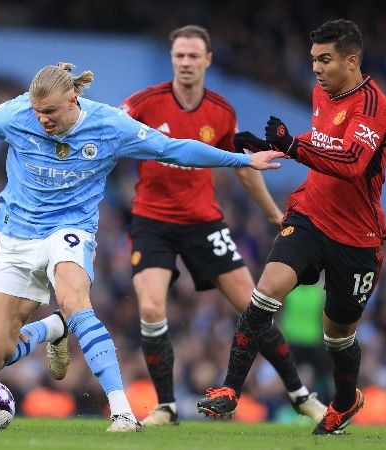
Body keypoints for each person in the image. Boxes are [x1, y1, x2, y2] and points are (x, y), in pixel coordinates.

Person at [0, 62, 284, 432]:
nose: (41, 119)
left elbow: (174, 148)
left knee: (75, 298)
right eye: (37, 110)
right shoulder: (17, 114)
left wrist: (243, 160)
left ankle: (121, 412)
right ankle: (54, 328)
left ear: (74, 99)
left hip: (70, 231)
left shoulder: (110, 125)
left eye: (50, 112)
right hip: (16, 239)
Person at [120, 24, 326, 426]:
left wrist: (271, 212)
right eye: (179, 55)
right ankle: (165, 406)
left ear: (208, 60)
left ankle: (301, 397)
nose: (185, 63)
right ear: (172, 59)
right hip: (152, 221)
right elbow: (109, 133)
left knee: (254, 307)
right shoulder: (144, 103)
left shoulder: (221, 112)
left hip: (204, 223)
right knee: (149, 306)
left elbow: (244, 168)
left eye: (193, 56)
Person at [197, 19, 386, 435]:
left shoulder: (374, 106)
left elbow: (353, 162)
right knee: (265, 291)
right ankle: (230, 390)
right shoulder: (322, 92)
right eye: (313, 60)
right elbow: (323, 139)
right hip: (310, 215)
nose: (316, 69)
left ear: (352, 60)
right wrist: (271, 147)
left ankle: (345, 400)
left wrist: (292, 145)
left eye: (325, 59)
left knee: (338, 336)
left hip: (357, 236)